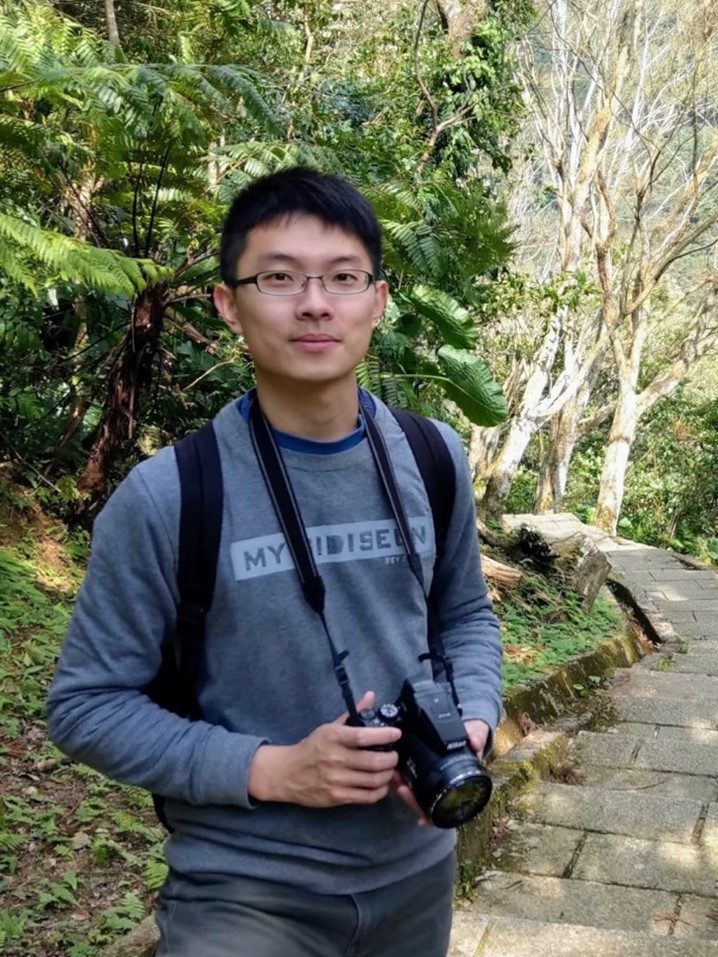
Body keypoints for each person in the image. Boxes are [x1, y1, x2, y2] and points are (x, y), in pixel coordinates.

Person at [47, 166, 503, 957]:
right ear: (229, 303)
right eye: (280, 277)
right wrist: (272, 768)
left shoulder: (433, 457)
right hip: (244, 890)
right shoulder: (169, 495)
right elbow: (86, 706)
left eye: (343, 277)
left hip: (418, 874)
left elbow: (464, 616)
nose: (315, 303)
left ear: (378, 301)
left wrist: (475, 718)